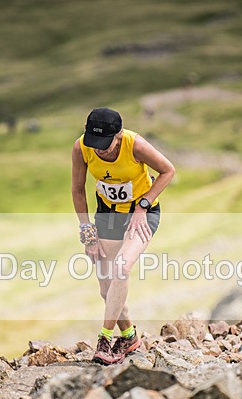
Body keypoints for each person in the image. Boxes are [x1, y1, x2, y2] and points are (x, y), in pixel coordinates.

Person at [71, 107, 175, 365]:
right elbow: (78, 190)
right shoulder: (81, 148)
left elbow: (168, 171)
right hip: (107, 215)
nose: (99, 150)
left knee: (121, 267)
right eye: (94, 143)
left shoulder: (135, 144)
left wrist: (143, 206)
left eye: (105, 144)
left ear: (118, 136)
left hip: (141, 214)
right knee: (107, 289)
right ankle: (129, 337)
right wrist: (88, 232)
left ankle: (105, 339)